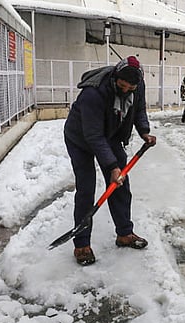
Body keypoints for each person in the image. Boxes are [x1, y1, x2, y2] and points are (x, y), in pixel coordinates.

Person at [63, 55, 157, 266]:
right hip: (80, 138)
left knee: (120, 185)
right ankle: (82, 244)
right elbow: (93, 136)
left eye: (130, 88)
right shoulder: (93, 94)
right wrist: (112, 166)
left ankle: (124, 233)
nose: (125, 91)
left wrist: (144, 132)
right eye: (121, 86)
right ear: (115, 77)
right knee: (86, 188)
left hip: (111, 135)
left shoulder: (136, 86)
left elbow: (138, 109)